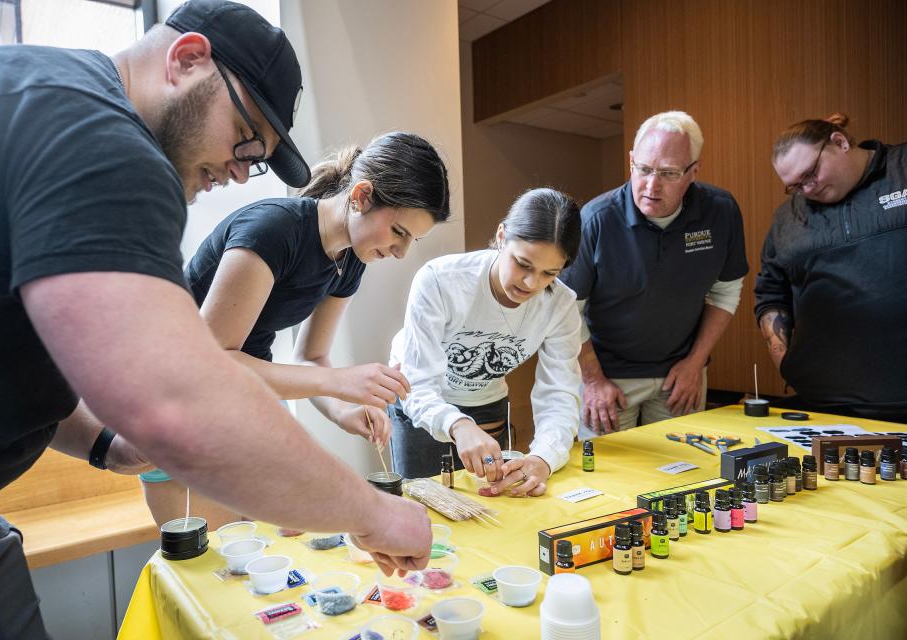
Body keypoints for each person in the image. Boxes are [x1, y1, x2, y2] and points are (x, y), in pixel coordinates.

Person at [0, 1, 430, 636]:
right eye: (244, 136)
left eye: (255, 157)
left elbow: (2, 346)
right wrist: (374, 512)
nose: (239, 169)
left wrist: (103, 441)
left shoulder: (34, 94)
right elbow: (181, 399)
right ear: (187, 59)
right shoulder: (106, 143)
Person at [143, 132, 451, 526]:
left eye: (414, 240)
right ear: (361, 196)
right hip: (177, 407)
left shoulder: (349, 260)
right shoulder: (273, 229)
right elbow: (212, 365)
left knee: (273, 556)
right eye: (399, 232)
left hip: (247, 402)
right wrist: (339, 381)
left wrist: (344, 410)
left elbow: (310, 357)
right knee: (215, 567)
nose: (401, 252)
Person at [560, 111, 749, 434]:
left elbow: (725, 292)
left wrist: (695, 362)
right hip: (608, 377)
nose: (651, 185)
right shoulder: (596, 220)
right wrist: (592, 380)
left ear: (693, 172)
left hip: (680, 374)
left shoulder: (720, 211)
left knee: (680, 472)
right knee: (610, 476)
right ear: (632, 160)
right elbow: (566, 310)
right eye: (644, 169)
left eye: (669, 173)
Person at [389, 188, 582, 497]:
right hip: (421, 404)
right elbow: (419, 382)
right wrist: (459, 425)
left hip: (487, 405)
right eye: (523, 264)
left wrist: (544, 458)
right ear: (502, 236)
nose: (531, 283)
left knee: (494, 506)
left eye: (550, 273)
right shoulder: (440, 280)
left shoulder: (560, 305)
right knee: (423, 508)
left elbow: (560, 393)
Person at [755, 113, 907, 423]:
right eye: (795, 185)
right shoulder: (788, 219)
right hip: (822, 405)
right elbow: (771, 293)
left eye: (810, 173)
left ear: (839, 142)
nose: (807, 188)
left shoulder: (902, 169)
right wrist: (786, 363)